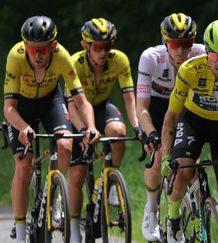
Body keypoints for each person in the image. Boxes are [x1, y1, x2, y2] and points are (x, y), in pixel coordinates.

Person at [3, 16, 97, 243]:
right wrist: (24, 128)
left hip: (50, 102)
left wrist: (91, 127)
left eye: (43, 50)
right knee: (24, 166)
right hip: (21, 110)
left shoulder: (62, 56)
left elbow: (82, 101)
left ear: (53, 46)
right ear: (25, 45)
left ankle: (53, 195)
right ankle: (20, 227)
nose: (37, 54)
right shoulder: (15, 57)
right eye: (33, 48)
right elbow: (8, 108)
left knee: (66, 145)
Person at [160, 19, 218, 243]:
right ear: (206, 51)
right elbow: (171, 116)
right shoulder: (190, 69)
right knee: (184, 170)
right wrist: (167, 155)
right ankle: (173, 215)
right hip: (193, 122)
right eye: (214, 54)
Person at [65, 17, 140, 243]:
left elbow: (129, 97)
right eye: (97, 47)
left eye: (107, 47)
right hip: (76, 108)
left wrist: (137, 127)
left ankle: (110, 181)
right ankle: (75, 226)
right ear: (85, 46)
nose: (102, 52)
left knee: (118, 130)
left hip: (102, 105)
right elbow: (71, 104)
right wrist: (85, 129)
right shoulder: (74, 62)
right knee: (77, 175)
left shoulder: (119, 61)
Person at [136, 12, 206, 241]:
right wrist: (152, 134)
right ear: (165, 41)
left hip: (186, 106)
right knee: (158, 158)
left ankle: (193, 211)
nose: (180, 50)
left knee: (190, 163)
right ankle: (152, 210)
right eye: (175, 44)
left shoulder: (202, 54)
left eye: (187, 43)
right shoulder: (150, 58)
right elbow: (142, 107)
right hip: (156, 108)